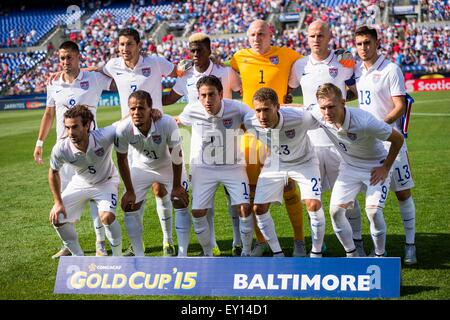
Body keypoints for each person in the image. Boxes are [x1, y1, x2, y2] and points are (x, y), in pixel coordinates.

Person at [230, 19, 306, 257]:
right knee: (252, 193)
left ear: (270, 34)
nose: (256, 38)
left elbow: (313, 64)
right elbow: (221, 73)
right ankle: (262, 242)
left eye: (261, 33)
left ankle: (300, 241)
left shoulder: (288, 55)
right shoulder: (238, 57)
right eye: (252, 34)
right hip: (250, 135)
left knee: (288, 187)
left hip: (280, 131)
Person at [288, 20, 364, 256]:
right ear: (307, 38)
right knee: (313, 200)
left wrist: (336, 108)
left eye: (320, 35)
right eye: (312, 35)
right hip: (309, 143)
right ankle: (319, 244)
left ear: (329, 36)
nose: (316, 39)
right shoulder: (299, 65)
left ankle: (358, 243)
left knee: (347, 199)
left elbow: (355, 91)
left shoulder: (344, 61)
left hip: (339, 141)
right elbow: (287, 92)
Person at [163, 32, 243, 256]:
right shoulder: (185, 75)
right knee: (203, 199)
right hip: (198, 145)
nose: (195, 54)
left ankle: (238, 241)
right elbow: (168, 99)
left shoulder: (224, 72)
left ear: (209, 50)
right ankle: (213, 244)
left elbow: (243, 89)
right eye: (192, 50)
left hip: (229, 142)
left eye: (199, 50)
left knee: (233, 196)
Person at [34, 40, 114, 258]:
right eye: (61, 58)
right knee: (65, 200)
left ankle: (100, 243)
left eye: (69, 57)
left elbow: (120, 81)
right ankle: (70, 246)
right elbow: (49, 114)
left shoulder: (93, 79)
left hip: (90, 148)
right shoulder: (53, 83)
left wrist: (96, 68)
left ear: (79, 57)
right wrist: (40, 142)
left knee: (95, 196)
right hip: (65, 150)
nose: (65, 62)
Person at [102, 27, 178, 256]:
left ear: (138, 45)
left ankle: (168, 240)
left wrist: (166, 103)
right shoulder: (112, 65)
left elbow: (181, 72)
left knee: (159, 189)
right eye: (121, 44)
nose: (125, 49)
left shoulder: (155, 62)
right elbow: (94, 72)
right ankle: (138, 246)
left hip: (157, 131)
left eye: (129, 44)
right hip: (130, 134)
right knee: (134, 193)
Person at [309, 83, 404, 257]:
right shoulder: (318, 113)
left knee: (373, 211)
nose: (327, 112)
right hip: (349, 167)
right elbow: (300, 108)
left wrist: (385, 168)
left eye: (331, 107)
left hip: (376, 165)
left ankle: (379, 255)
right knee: (336, 212)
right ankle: (352, 255)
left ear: (343, 102)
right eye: (323, 107)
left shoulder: (365, 121)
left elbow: (398, 139)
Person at [352, 26, 417, 264]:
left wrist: (380, 125)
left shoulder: (391, 69)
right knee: (367, 199)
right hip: (367, 145)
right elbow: (355, 95)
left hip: (392, 142)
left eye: (367, 42)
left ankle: (410, 245)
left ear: (377, 42)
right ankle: (374, 246)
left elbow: (400, 105)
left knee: (402, 193)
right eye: (359, 43)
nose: (363, 48)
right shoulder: (358, 71)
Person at [244, 88, 326, 257]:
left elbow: (322, 113)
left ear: (277, 107)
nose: (262, 116)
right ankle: (278, 255)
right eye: (258, 110)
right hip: (276, 163)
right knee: (259, 208)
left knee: (313, 204)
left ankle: (316, 254)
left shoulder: (300, 118)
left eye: (266, 109)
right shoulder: (250, 121)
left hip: (305, 161)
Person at [178, 75, 253, 257]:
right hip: (204, 168)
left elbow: (257, 116)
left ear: (221, 94)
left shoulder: (237, 108)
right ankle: (207, 254)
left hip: (233, 166)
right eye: (202, 95)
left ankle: (246, 252)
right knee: (197, 212)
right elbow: (179, 120)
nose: (207, 100)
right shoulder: (192, 110)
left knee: (244, 207)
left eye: (211, 95)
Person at [115, 90, 190, 256]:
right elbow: (121, 160)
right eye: (132, 109)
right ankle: (140, 256)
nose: (136, 112)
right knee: (129, 205)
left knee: (180, 200)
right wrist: (129, 190)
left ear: (151, 109)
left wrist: (177, 186)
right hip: (142, 168)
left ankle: (182, 255)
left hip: (169, 166)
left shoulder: (167, 123)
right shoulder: (123, 129)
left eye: (141, 108)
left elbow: (177, 155)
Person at [48, 105, 123, 257]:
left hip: (106, 182)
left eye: (75, 127)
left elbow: (123, 123)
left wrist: (152, 112)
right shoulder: (61, 148)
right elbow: (53, 172)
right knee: (58, 217)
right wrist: (58, 202)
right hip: (80, 182)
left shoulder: (103, 136)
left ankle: (117, 257)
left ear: (87, 125)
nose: (70, 132)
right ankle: (78, 257)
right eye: (67, 127)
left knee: (106, 217)